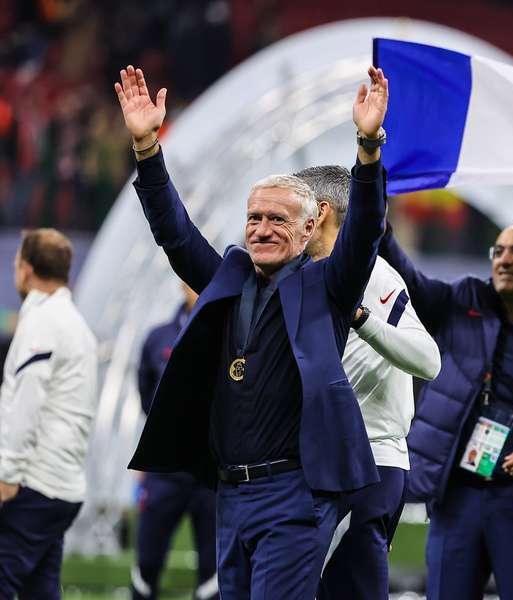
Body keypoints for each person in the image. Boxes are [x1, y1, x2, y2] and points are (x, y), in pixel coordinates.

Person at [113, 64, 388, 599]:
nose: (261, 229)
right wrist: (147, 149)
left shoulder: (329, 284)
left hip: (295, 492)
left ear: (311, 228)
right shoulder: (228, 278)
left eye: (278, 220)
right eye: (254, 217)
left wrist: (369, 148)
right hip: (230, 493)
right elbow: (174, 233)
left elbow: (364, 230)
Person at [379, 222, 513, 599]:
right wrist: (378, 225)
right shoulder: (464, 301)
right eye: (499, 251)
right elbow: (408, 279)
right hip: (458, 494)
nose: (505, 260)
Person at [300, 164, 440, 600]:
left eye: (290, 209)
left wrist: (363, 319)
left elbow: (428, 360)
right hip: (315, 463)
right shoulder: (296, 277)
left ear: (320, 213)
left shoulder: (376, 276)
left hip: (367, 464)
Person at [0, 228, 98, 599]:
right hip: (62, 487)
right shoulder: (75, 324)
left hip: (34, 484)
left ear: (25, 269)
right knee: (40, 591)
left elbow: (26, 401)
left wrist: (7, 473)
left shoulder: (42, 321)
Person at [131, 283, 218, 600]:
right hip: (163, 472)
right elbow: (145, 396)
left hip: (211, 474)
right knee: (147, 564)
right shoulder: (157, 337)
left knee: (213, 572)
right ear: (181, 284)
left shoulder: (230, 331)